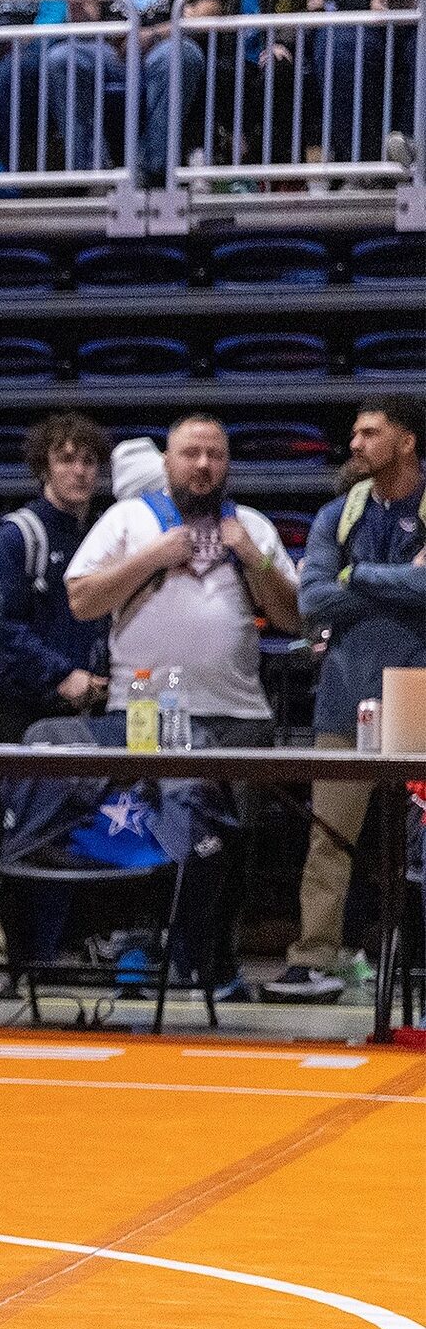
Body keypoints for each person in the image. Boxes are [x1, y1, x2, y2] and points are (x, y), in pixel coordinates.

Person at [6, 418, 305, 991]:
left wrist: (256, 561)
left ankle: (215, 967)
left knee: (228, 851)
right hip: (138, 715)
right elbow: (81, 599)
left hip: (235, 714)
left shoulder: (253, 527)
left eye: (215, 455)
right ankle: (142, 954)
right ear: (168, 462)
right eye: (190, 453)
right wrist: (151, 558)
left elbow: (291, 618)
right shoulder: (128, 519)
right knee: (145, 837)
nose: (203, 465)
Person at [278, 396, 426, 1002]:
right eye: (355, 434)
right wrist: (386, 580)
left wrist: (354, 575)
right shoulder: (336, 515)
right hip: (347, 697)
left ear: (407, 441)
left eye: (370, 433)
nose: (356, 445)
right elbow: (311, 600)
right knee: (330, 840)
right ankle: (315, 960)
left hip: (420, 696)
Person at [0, 411, 111, 740]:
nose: (79, 472)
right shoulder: (17, 535)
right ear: (44, 468)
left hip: (91, 703)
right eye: (66, 460)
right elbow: (1, 625)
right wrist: (60, 674)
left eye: (88, 461)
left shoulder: (104, 533)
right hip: (25, 707)